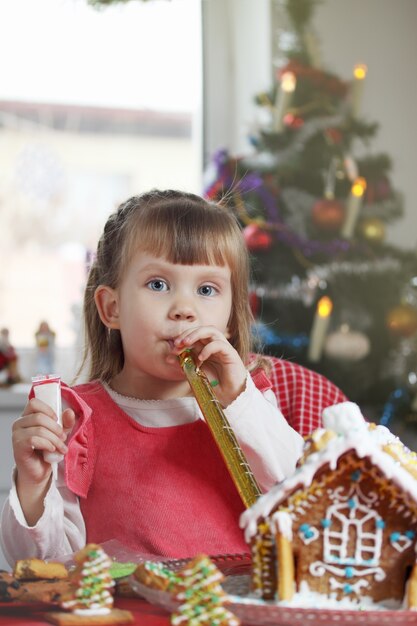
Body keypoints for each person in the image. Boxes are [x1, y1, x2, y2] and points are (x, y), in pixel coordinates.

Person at [0, 189, 306, 565]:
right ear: (112, 308)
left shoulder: (248, 401)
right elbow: (44, 569)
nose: (184, 309)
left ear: (229, 318)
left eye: (207, 289)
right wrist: (33, 487)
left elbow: (303, 502)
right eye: (158, 284)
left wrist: (241, 400)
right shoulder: (75, 420)